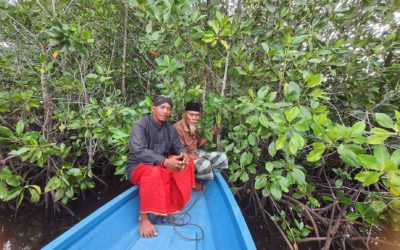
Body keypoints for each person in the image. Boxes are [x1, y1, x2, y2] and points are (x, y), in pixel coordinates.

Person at [126, 95, 195, 238]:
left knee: (187, 164)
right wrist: (165, 162)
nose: (165, 111)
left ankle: (169, 207)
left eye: (169, 108)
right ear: (153, 109)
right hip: (138, 167)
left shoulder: (170, 129)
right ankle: (144, 218)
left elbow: (178, 146)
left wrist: (183, 155)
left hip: (160, 164)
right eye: (162, 107)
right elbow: (138, 151)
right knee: (155, 172)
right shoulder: (141, 124)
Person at [174, 100, 228, 191]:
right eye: (191, 114)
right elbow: (180, 155)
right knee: (205, 164)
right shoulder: (177, 129)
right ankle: (192, 181)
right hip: (184, 159)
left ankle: (201, 175)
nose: (194, 118)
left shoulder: (192, 126)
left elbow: (198, 144)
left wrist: (213, 131)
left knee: (222, 157)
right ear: (184, 114)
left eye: (197, 115)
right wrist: (200, 159)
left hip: (196, 153)